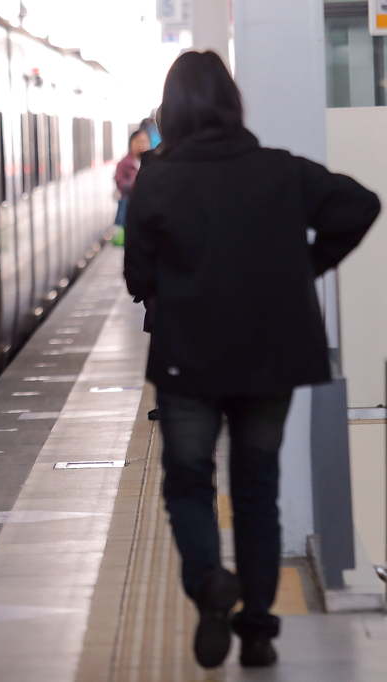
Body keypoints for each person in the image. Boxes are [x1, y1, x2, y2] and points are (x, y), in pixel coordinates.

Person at [124, 51, 379, 670]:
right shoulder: (279, 171)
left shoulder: (155, 178)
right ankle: (260, 632)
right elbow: (361, 205)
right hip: (270, 355)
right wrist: (302, 270)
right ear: (233, 104)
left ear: (172, 112)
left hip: (188, 358)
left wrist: (182, 291)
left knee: (188, 483)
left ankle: (212, 584)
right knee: (256, 489)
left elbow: (138, 277)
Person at [114, 129, 151, 226]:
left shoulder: (153, 164)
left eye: (144, 142)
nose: (141, 145)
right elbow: (120, 183)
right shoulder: (123, 164)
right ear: (131, 143)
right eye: (138, 141)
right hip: (129, 210)